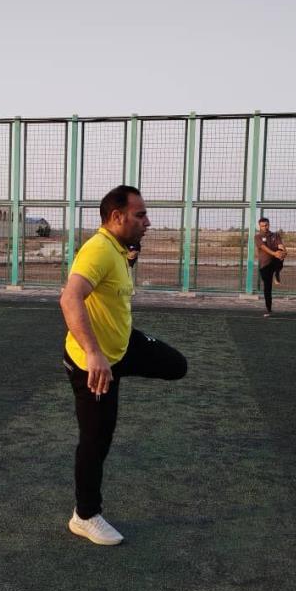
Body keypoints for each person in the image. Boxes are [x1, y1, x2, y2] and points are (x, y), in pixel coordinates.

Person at [60, 185, 188, 546]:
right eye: (140, 215)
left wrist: (130, 256)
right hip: (92, 365)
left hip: (123, 347)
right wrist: (94, 354)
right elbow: (69, 299)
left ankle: (118, 367)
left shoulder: (118, 249)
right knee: (96, 440)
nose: (148, 222)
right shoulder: (98, 250)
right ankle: (85, 516)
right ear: (117, 217)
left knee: (176, 365)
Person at [254, 217, 287, 317]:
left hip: (275, 262)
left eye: (266, 225)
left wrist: (283, 251)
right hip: (264, 265)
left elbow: (280, 245)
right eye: (262, 226)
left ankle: (277, 273)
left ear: (269, 225)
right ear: (259, 226)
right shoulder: (257, 237)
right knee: (267, 287)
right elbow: (263, 248)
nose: (265, 227)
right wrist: (274, 253)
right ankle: (269, 309)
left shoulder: (275, 235)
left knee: (280, 255)